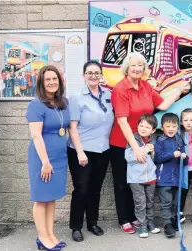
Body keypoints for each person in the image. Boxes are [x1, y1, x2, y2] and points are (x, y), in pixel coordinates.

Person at [110, 52, 190, 234]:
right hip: (123, 143)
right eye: (133, 66)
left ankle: (139, 219)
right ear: (126, 69)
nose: (137, 69)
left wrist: (179, 91)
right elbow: (122, 121)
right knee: (123, 182)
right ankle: (125, 219)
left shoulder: (145, 85)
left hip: (145, 142)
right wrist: (136, 148)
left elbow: (162, 105)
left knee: (141, 181)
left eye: (141, 66)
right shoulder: (120, 89)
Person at [67, 61, 114, 242]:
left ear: (101, 75)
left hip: (103, 150)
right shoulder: (77, 97)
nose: (93, 76)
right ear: (84, 75)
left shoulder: (108, 94)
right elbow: (73, 127)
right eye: (89, 73)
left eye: (96, 73)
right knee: (82, 188)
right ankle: (76, 226)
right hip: (82, 150)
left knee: (95, 189)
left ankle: (92, 222)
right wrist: (80, 152)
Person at [26, 65, 70, 251]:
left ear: (59, 82)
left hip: (59, 157)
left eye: (55, 79)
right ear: (41, 83)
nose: (52, 82)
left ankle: (51, 234)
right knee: (41, 198)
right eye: (47, 80)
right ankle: (42, 237)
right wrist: (45, 162)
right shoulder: (36, 104)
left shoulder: (63, 102)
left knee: (51, 197)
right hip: (43, 158)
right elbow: (36, 135)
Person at [125, 114, 161, 238]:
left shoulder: (155, 140)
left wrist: (153, 152)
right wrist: (144, 149)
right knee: (140, 202)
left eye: (147, 126)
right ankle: (142, 225)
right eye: (141, 125)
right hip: (135, 179)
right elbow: (128, 157)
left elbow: (157, 159)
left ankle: (150, 223)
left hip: (150, 177)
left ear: (153, 130)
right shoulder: (133, 140)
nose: (143, 128)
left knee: (150, 201)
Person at [154, 113, 189, 238]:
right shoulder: (159, 140)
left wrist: (184, 157)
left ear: (177, 127)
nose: (171, 128)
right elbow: (157, 158)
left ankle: (174, 220)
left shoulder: (179, 139)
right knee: (166, 202)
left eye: (173, 126)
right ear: (162, 127)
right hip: (164, 178)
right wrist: (171, 154)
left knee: (175, 202)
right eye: (167, 126)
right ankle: (167, 224)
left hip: (177, 178)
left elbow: (184, 160)